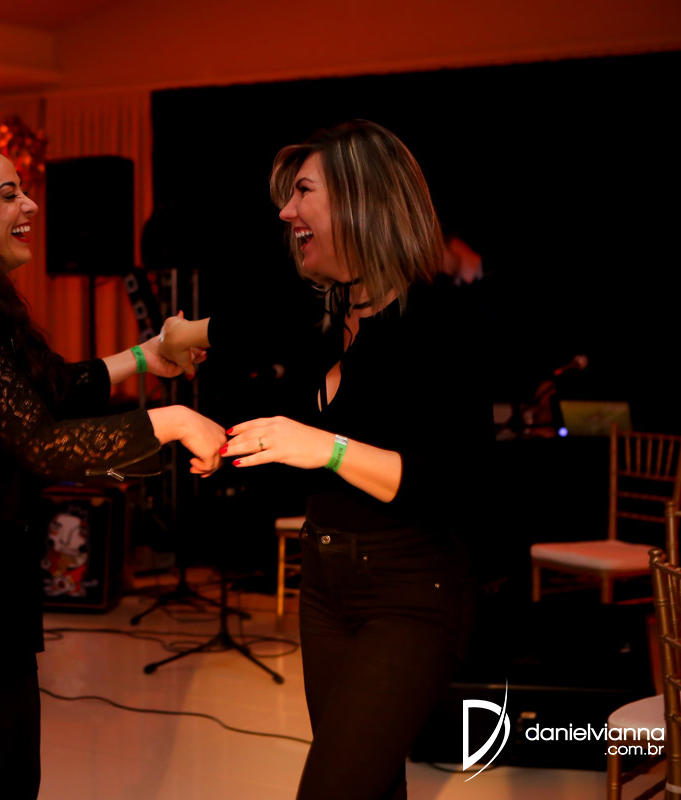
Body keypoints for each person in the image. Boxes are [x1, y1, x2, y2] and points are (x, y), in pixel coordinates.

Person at [0, 136, 225, 798]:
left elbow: (47, 387)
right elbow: (41, 443)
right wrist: (172, 422)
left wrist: (142, 358)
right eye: (9, 195)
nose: (30, 205)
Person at [160, 120, 488, 800]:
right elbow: (238, 330)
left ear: (360, 200)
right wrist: (218, 430)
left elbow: (455, 485)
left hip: (412, 594)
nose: (287, 213)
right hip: (325, 586)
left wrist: (328, 450)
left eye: (303, 192)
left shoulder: (439, 324)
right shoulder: (329, 314)